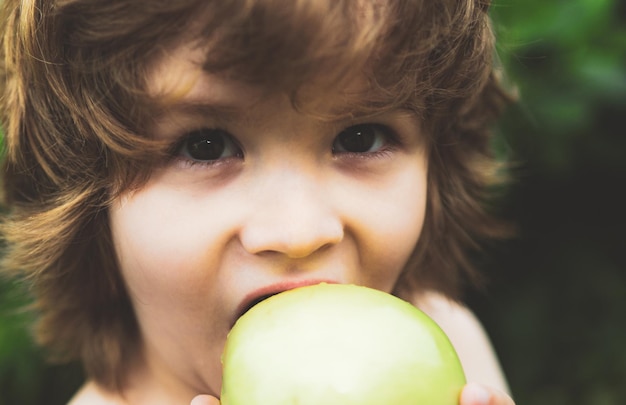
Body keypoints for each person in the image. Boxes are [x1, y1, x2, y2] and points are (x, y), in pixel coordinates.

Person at [0, 0, 516, 404]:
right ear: (87, 201)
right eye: (205, 146)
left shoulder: (448, 342)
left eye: (360, 137)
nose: (298, 231)